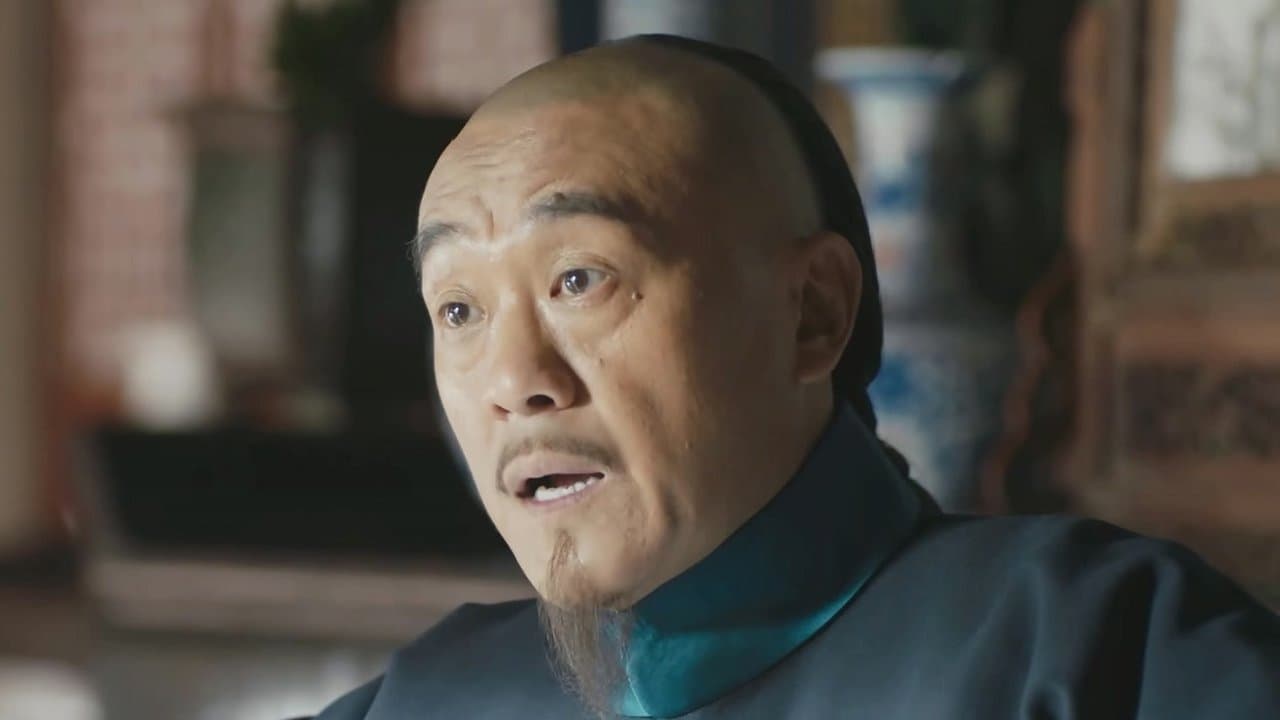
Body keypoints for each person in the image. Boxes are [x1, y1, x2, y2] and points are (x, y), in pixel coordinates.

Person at [312, 36, 1280, 719]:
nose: (515, 381)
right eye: (459, 310)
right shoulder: (429, 700)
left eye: (579, 279)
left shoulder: (1099, 650)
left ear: (813, 313)